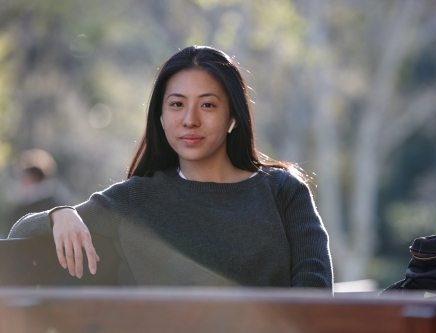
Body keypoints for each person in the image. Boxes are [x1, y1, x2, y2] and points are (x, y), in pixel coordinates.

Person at [8, 46, 333, 289]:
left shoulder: (283, 191)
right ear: (161, 117)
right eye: (177, 104)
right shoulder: (135, 199)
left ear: (233, 116)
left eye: (207, 105)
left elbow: (315, 297)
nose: (190, 120)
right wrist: (60, 214)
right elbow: (20, 234)